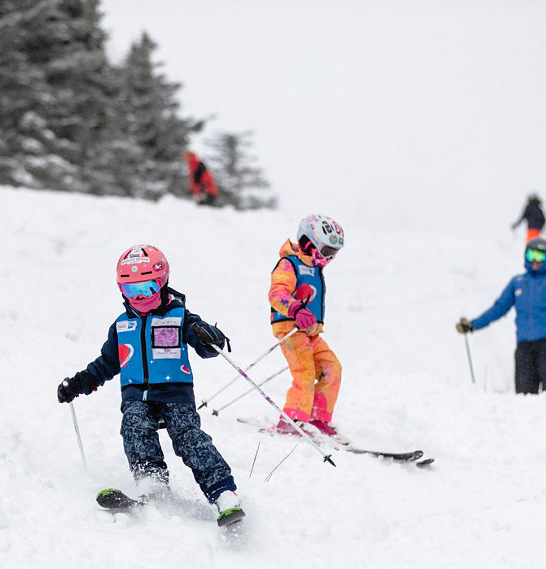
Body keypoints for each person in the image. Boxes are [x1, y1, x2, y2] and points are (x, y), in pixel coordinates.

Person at [56, 244, 243, 526]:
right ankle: (151, 482)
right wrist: (78, 384)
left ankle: (223, 494)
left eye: (147, 289)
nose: (140, 297)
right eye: (132, 291)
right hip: (136, 396)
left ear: (163, 282)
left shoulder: (181, 318)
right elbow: (106, 364)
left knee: (189, 438)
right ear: (121, 290)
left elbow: (212, 347)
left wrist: (210, 337)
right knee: (134, 427)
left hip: (175, 393)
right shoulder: (121, 325)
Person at [456, 238, 546, 394]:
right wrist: (473, 325)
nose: (534, 260)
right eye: (530, 255)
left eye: (539, 256)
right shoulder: (518, 282)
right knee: (524, 395)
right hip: (525, 346)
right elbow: (498, 308)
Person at [268, 214, 345, 437]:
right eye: (327, 251)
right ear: (309, 243)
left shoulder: (313, 267)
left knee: (332, 368)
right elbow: (276, 294)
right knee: (304, 372)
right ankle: (291, 420)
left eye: (334, 253)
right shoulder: (289, 264)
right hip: (290, 330)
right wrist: (295, 309)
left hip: (311, 332)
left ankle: (317, 417)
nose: (330, 258)